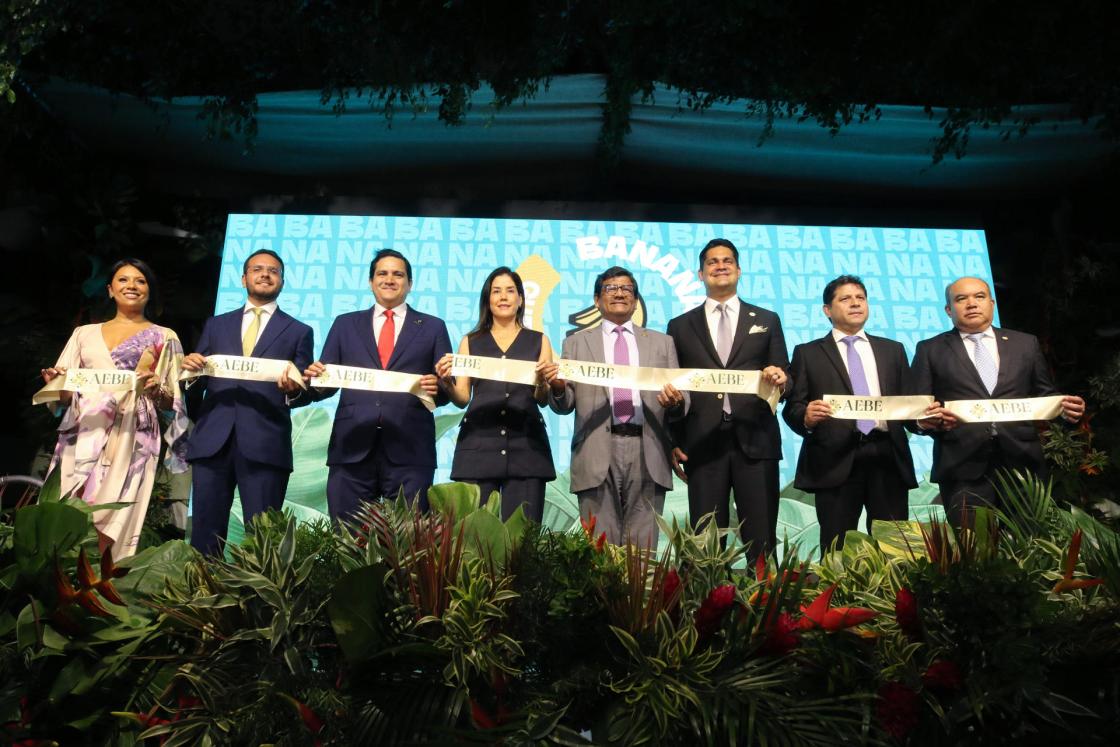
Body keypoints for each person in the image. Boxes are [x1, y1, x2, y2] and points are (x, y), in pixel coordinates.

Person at [39, 259, 188, 557]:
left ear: (149, 291)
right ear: (109, 289)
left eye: (140, 281)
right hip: (85, 427)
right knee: (68, 504)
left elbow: (172, 402)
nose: (131, 286)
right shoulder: (83, 334)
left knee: (118, 512)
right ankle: (60, 577)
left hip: (134, 431)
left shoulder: (165, 336)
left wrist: (154, 389)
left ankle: (106, 576)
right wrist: (56, 382)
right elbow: (63, 397)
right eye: (123, 280)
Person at [911, 276, 1085, 527]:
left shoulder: (1025, 344)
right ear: (948, 310)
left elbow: (1046, 396)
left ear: (991, 303)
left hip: (1023, 468)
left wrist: (1067, 412)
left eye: (979, 296)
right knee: (974, 548)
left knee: (1029, 544)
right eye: (961, 299)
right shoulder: (930, 349)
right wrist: (927, 422)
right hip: (962, 469)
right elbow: (917, 411)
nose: (972, 303)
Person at [540, 266, 686, 550]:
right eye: (610, 288)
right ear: (597, 300)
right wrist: (556, 387)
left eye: (626, 289)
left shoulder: (662, 343)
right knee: (599, 551)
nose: (619, 293)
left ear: (636, 300)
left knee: (642, 553)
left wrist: (676, 401)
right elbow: (565, 404)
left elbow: (683, 397)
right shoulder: (576, 343)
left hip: (648, 450)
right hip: (595, 451)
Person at [181, 249, 314, 556]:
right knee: (205, 534)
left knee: (264, 539)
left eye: (273, 271)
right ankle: (203, 587)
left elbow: (303, 390)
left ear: (282, 282)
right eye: (257, 269)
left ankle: (258, 590)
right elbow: (199, 382)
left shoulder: (299, 331)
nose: (265, 274)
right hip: (213, 441)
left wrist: (294, 390)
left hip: (266, 444)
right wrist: (191, 372)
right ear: (243, 279)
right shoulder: (216, 325)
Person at [304, 249, 452, 521]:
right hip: (351, 446)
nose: (390, 279)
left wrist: (439, 387)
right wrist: (314, 377)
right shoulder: (345, 324)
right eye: (382, 273)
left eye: (398, 274)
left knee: (411, 536)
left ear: (410, 283)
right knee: (347, 537)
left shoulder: (433, 327)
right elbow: (326, 383)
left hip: (410, 448)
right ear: (371, 282)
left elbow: (445, 388)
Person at [667, 238, 789, 560]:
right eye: (712, 262)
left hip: (757, 441)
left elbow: (785, 375)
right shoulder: (679, 326)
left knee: (761, 543)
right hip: (702, 444)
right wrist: (674, 440)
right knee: (706, 547)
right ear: (700, 274)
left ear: (739, 270)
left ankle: (764, 593)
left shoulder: (767, 319)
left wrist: (781, 378)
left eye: (727, 261)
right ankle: (709, 595)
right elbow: (674, 388)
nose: (720, 266)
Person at [782, 275, 917, 554]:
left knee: (895, 549)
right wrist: (806, 417)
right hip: (834, 462)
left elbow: (908, 405)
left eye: (860, 298)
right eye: (845, 299)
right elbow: (793, 407)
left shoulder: (892, 350)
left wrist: (924, 420)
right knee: (837, 550)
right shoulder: (808, 353)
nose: (855, 303)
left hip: (887, 457)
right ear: (827, 310)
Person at [435, 267, 556, 521]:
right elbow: (462, 398)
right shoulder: (470, 341)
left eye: (510, 291)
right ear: (487, 299)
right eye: (496, 291)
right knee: (475, 536)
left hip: (527, 448)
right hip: (479, 445)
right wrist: (446, 382)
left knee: (523, 537)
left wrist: (543, 383)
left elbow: (542, 399)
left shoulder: (539, 340)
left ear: (520, 299)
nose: (503, 297)